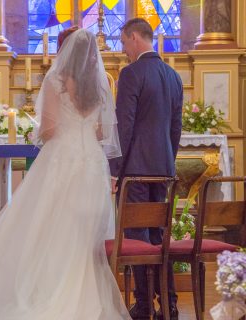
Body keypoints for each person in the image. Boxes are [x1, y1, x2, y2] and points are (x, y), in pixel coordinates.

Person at [0, 28, 131, 320]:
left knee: (49, 227)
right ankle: (85, 297)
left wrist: (36, 131)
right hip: (91, 163)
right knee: (83, 235)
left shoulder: (56, 80)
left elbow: (49, 130)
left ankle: (47, 291)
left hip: (62, 159)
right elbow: (99, 131)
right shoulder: (99, 87)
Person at [109, 18, 183, 320]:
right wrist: (167, 160)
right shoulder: (173, 76)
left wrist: (114, 171)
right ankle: (170, 303)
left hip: (136, 171)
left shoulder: (131, 74)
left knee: (137, 239)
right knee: (160, 237)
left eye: (124, 43)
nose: (124, 50)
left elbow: (123, 128)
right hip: (163, 169)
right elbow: (175, 129)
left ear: (135, 38)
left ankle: (142, 304)